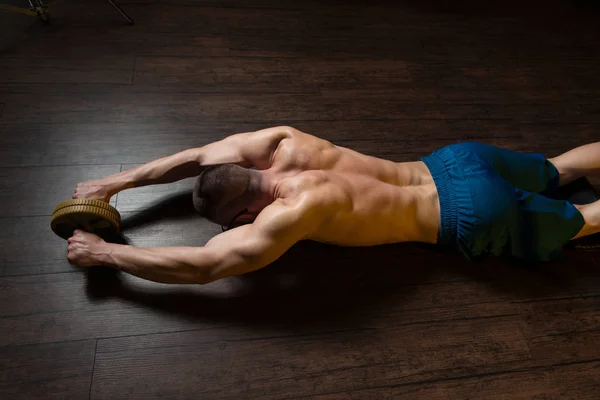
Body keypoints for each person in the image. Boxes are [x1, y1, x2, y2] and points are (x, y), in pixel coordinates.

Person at [67, 126, 600, 284]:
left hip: (470, 213)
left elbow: (208, 264)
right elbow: (198, 155)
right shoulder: (279, 143)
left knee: (580, 222)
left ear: (243, 215)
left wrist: (105, 254)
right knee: (559, 168)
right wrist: (116, 182)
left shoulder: (294, 212)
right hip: (455, 162)